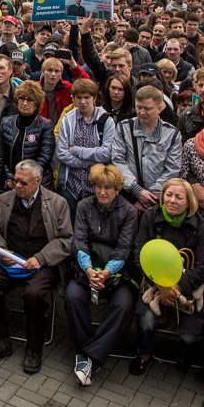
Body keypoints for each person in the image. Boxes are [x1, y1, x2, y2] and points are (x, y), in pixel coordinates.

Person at [0, 160, 73, 373]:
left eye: (23, 182)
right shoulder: (1, 200)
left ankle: (34, 347)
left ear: (38, 182)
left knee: (34, 293)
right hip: (11, 261)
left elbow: (66, 240)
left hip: (42, 264)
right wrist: (2, 250)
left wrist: (41, 257)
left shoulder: (57, 203)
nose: (17, 186)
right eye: (15, 181)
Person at [129, 178, 204, 375]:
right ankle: (144, 353)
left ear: (189, 202)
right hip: (154, 282)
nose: (172, 200)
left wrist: (175, 287)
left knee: (190, 336)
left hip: (186, 286)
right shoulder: (150, 216)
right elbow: (139, 253)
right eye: (168, 195)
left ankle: (185, 356)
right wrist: (160, 285)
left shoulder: (199, 225)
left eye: (178, 197)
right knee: (145, 318)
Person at [65, 163, 138, 386]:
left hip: (116, 272)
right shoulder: (85, 206)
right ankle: (89, 352)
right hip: (87, 268)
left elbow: (125, 247)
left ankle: (87, 357)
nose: (102, 192)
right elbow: (80, 241)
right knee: (73, 297)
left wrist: (106, 272)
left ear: (118, 190)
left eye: (108, 188)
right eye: (98, 187)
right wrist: (88, 270)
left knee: (124, 305)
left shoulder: (129, 212)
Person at [108, 85, 184, 212]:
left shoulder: (172, 134)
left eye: (147, 109)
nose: (142, 112)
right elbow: (118, 160)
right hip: (128, 196)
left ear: (159, 108)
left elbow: (172, 169)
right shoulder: (124, 128)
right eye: (139, 107)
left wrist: (149, 196)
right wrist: (136, 190)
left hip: (157, 199)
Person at [0, 83, 53, 190]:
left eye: (30, 100)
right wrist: (12, 179)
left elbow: (45, 158)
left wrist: (24, 180)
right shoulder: (6, 122)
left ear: (36, 103)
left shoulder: (45, 125)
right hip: (9, 182)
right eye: (21, 98)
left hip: (36, 183)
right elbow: (1, 155)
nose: (24, 103)